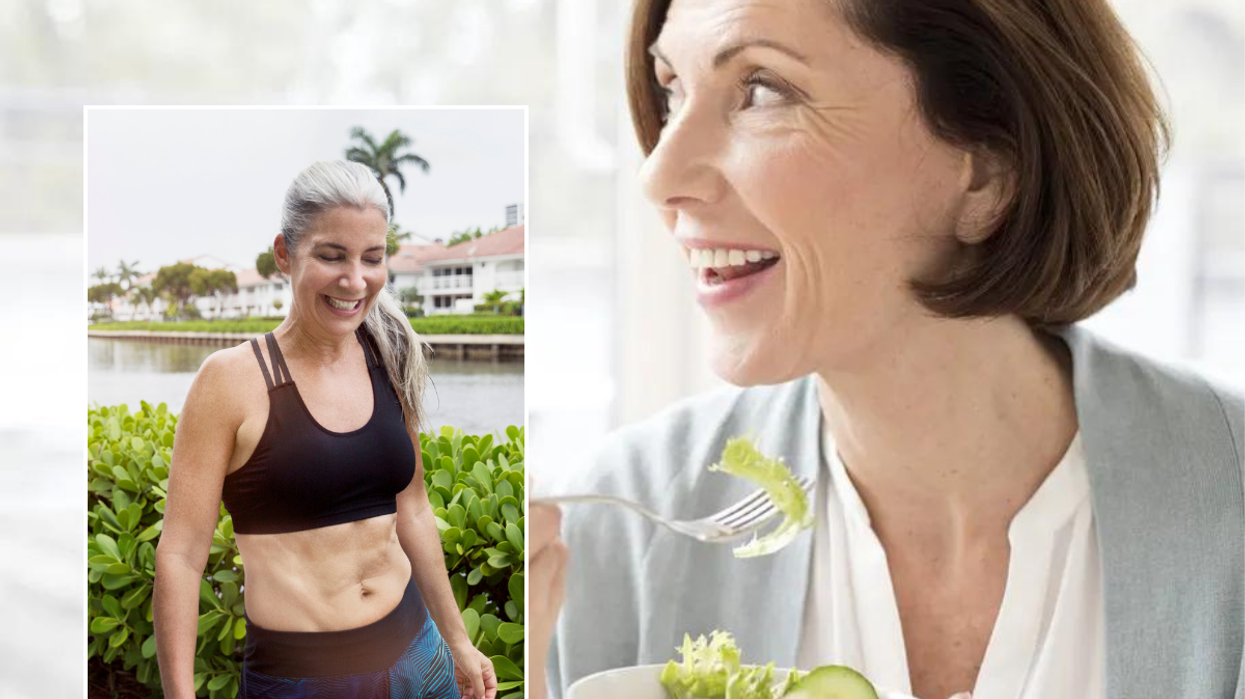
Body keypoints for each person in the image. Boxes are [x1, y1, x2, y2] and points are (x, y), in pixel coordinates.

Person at [531, 1, 1244, 698]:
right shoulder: (620, 530)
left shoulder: (1227, 504)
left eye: (760, 90)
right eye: (671, 90)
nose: (659, 175)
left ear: (987, 169)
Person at [154, 161, 497, 699]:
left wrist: (457, 640)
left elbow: (414, 509)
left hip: (419, 659)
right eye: (331, 256)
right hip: (303, 681)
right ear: (285, 253)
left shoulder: (388, 353)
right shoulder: (230, 382)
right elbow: (181, 553)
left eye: (373, 258)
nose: (355, 280)